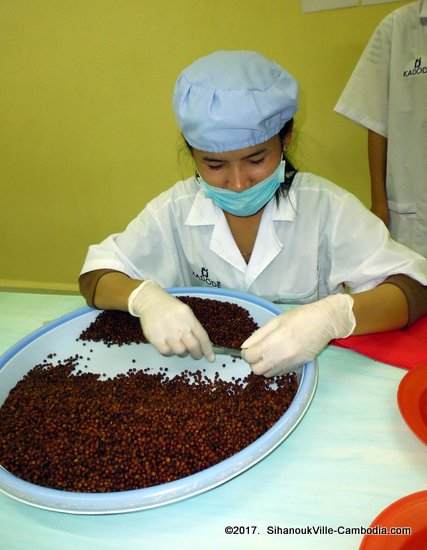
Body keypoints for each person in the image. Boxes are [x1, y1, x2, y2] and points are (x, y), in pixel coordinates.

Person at [79, 50, 427, 378]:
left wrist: (334, 317)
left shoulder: (326, 207)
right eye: (214, 165)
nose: (238, 184)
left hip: (305, 371)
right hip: (208, 372)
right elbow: (96, 277)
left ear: (286, 138)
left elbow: (414, 287)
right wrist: (144, 298)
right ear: (192, 153)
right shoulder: (175, 209)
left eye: (256, 160)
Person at [335, 1, 427, 257]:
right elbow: (376, 121)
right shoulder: (396, 28)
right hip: (415, 201)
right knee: (416, 285)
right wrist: (379, 203)